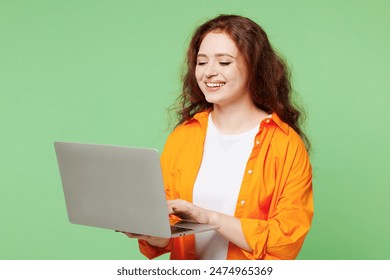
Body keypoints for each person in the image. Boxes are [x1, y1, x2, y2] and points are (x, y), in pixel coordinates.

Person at [122, 14, 313, 260]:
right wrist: (148, 233)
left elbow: (286, 241)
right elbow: (167, 234)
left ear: (254, 67)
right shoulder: (183, 136)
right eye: (202, 62)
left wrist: (209, 217)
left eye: (224, 62)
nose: (209, 73)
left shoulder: (285, 145)